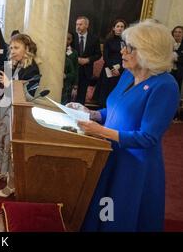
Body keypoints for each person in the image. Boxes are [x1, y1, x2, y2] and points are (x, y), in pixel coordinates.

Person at [69, 20, 180, 232]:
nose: (122, 51)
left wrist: (100, 131)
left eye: (129, 47)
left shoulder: (166, 86)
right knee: (104, 207)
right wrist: (91, 113)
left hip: (134, 166)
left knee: (119, 216)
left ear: (150, 51)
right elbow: (114, 110)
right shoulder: (128, 74)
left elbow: (147, 137)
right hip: (110, 154)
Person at [0, 34, 40, 197]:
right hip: (5, 105)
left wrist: (8, 83)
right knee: (1, 139)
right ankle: (1, 172)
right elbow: (5, 86)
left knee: (11, 147)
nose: (12, 50)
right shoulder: (15, 64)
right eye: (11, 47)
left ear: (27, 50)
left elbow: (28, 97)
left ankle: (11, 185)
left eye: (16, 47)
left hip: (17, 111)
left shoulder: (33, 69)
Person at [97, 19, 127, 107]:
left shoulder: (126, 42)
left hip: (121, 70)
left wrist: (120, 69)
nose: (120, 28)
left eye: (122, 27)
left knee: (117, 91)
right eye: (117, 26)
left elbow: (127, 56)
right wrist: (113, 68)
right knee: (105, 92)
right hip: (108, 69)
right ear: (113, 28)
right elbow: (105, 57)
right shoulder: (108, 40)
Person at [72, 16, 101, 105]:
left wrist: (88, 60)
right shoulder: (71, 36)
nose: (78, 26)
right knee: (70, 96)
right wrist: (75, 58)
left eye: (80, 24)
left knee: (81, 97)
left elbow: (98, 54)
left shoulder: (94, 39)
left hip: (86, 71)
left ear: (87, 25)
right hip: (73, 70)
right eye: (77, 24)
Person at [62, 32, 78, 104]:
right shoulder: (56, 50)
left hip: (68, 83)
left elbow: (76, 69)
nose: (66, 40)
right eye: (65, 38)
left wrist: (75, 86)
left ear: (71, 40)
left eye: (69, 39)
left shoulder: (74, 52)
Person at [171, 25, 183, 92]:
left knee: (176, 90)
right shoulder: (168, 43)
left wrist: (175, 58)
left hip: (179, 73)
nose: (177, 34)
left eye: (180, 32)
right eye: (175, 32)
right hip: (167, 71)